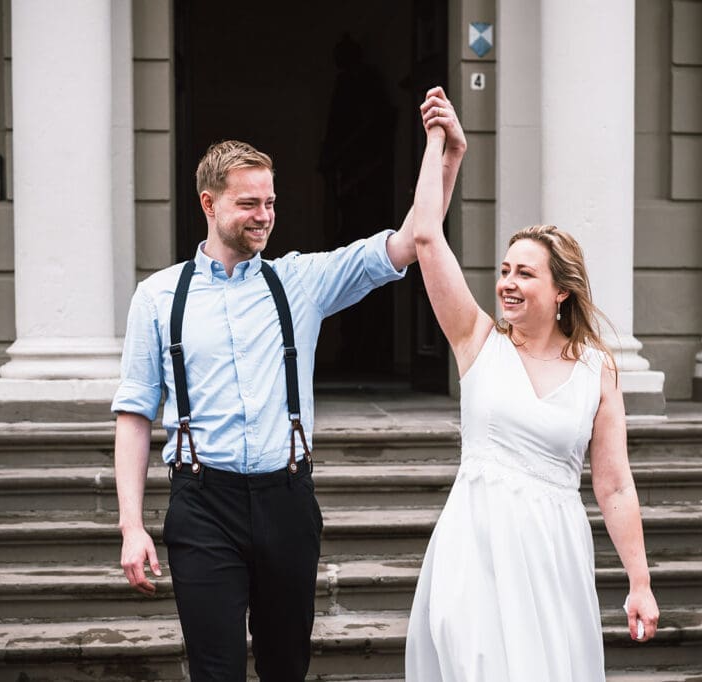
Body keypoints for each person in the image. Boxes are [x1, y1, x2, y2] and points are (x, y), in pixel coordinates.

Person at [112, 88, 465, 682]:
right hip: (202, 504)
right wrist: (130, 524)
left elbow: (411, 240)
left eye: (270, 202)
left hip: (288, 501)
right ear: (209, 203)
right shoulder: (158, 296)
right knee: (215, 668)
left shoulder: (300, 280)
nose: (265, 215)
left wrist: (446, 153)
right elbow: (134, 414)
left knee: (286, 667)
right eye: (249, 203)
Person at [405, 94, 659, 681]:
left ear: (562, 290)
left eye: (524, 273)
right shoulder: (477, 341)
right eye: (503, 270)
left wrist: (640, 582)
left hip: (551, 553)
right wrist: (443, 151)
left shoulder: (599, 370)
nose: (507, 284)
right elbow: (425, 239)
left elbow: (615, 485)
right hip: (475, 543)